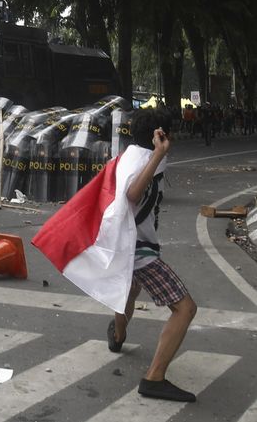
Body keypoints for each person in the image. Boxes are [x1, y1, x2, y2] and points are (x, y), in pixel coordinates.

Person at [107, 108, 197, 402]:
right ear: (160, 135)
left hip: (126, 245)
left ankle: (118, 335)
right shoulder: (146, 160)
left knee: (129, 290)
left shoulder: (129, 154)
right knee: (185, 309)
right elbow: (133, 194)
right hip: (138, 249)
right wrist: (158, 154)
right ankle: (154, 377)